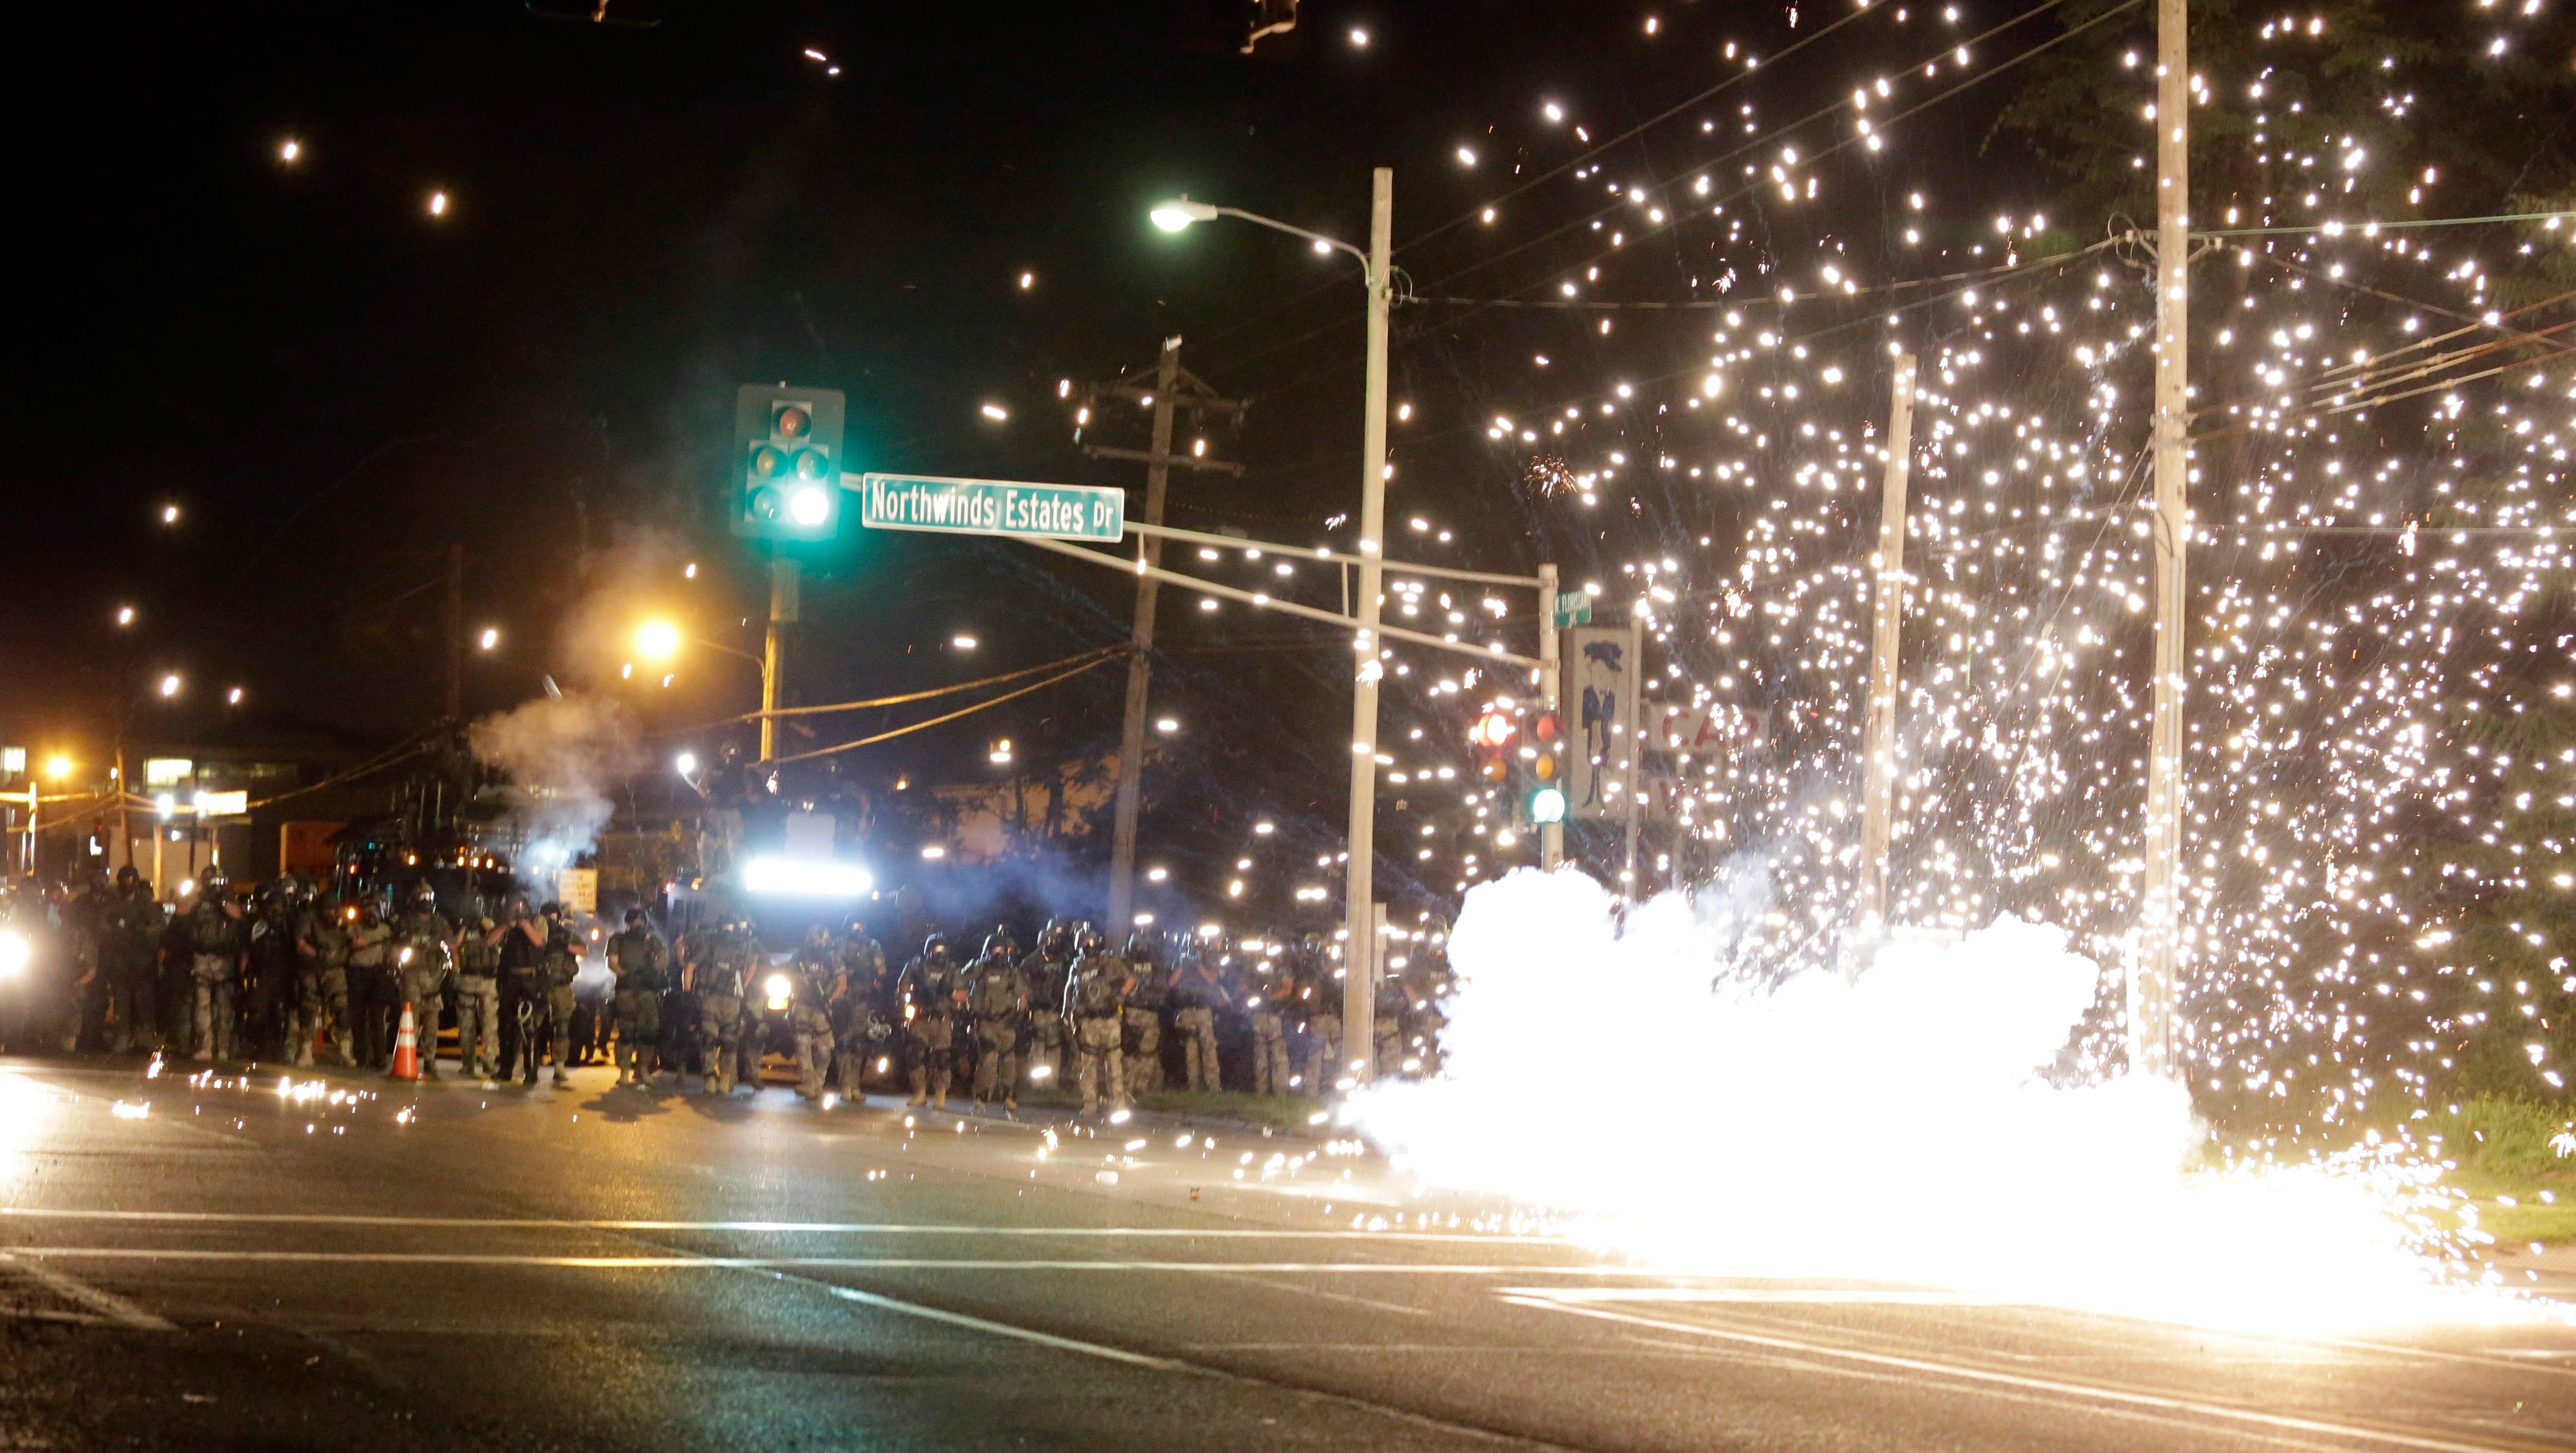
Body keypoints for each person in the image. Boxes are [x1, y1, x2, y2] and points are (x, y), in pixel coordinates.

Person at [1062, 923, 1129, 1117]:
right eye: (1084, 942)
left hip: (1109, 1019)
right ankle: (1090, 1104)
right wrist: (1069, 1015)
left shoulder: (1110, 961)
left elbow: (1130, 980)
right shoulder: (1078, 966)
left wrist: (1119, 997)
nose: (1089, 945)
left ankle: (1118, 1104)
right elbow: (1070, 992)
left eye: (1091, 941)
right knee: (1088, 1066)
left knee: (1114, 1064)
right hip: (1088, 1021)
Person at [390, 884, 455, 1079]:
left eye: (428, 896)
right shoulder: (406, 922)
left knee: (432, 1021)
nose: (425, 900)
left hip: (434, 976)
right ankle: (406, 1057)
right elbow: (395, 947)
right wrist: (396, 967)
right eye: (422, 896)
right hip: (411, 975)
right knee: (411, 1019)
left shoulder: (440, 922)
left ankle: (430, 1060)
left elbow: (451, 945)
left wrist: (454, 968)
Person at [896, 932, 967, 1108]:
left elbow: (963, 995)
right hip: (920, 1018)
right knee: (915, 1056)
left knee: (943, 1058)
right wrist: (917, 989)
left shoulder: (952, 969)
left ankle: (940, 1095)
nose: (940, 954)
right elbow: (903, 987)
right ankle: (920, 1093)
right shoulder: (917, 966)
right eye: (936, 950)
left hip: (942, 1019)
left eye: (943, 950)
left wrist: (949, 991)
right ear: (929, 951)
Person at [182, 876, 247, 1063]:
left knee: (224, 1006)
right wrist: (199, 896)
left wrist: (221, 900)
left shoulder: (227, 898)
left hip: (224, 959)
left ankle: (223, 1048)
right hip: (202, 958)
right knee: (202, 1007)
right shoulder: (198, 899)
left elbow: (237, 914)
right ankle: (206, 1047)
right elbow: (181, 910)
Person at [963, 925, 1026, 1111]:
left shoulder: (1012, 972)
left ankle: (1008, 1095)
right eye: (995, 950)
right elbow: (961, 982)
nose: (999, 954)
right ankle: (982, 1096)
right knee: (988, 1059)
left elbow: (1022, 996)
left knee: (1008, 1060)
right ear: (989, 951)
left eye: (1002, 951)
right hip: (986, 1021)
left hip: (1007, 1022)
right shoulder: (980, 967)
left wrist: (1019, 1015)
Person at [102, 867, 164, 1053]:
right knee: (122, 1004)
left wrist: (139, 934)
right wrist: (118, 936)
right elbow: (105, 928)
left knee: (144, 1003)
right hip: (120, 961)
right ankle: (122, 1038)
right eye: (124, 880)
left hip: (142, 962)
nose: (127, 883)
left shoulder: (146, 904)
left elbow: (157, 929)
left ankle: (145, 1039)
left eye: (131, 880)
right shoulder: (113, 904)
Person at [828, 921, 891, 1100]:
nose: (858, 930)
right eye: (854, 927)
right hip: (844, 999)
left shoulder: (872, 945)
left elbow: (881, 969)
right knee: (844, 1043)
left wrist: (870, 973)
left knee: (858, 1045)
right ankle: (845, 1086)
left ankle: (855, 1085)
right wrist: (851, 972)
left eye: (861, 926)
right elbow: (835, 966)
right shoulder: (839, 944)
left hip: (863, 1001)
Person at [606, 907, 668, 1087]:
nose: (639, 924)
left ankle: (642, 1070)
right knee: (626, 1032)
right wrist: (627, 976)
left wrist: (653, 971)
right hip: (626, 991)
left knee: (649, 1032)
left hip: (647, 992)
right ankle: (625, 1072)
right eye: (636, 920)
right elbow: (612, 963)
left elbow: (664, 957)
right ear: (628, 923)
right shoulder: (618, 939)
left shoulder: (652, 940)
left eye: (642, 921)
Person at [241, 882, 300, 1063]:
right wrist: (243, 973)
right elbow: (248, 950)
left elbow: (296, 950)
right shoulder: (259, 926)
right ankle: (263, 1049)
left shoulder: (289, 927)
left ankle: (278, 1051)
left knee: (279, 1015)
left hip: (282, 977)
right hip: (262, 975)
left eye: (280, 906)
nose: (276, 910)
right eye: (274, 906)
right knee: (260, 1014)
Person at [692, 916, 750, 1096]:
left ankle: (724, 1079)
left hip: (731, 1000)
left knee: (729, 1043)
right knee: (709, 1040)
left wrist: (743, 988)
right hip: (711, 998)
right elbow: (691, 965)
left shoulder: (742, 946)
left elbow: (753, 964)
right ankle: (710, 1077)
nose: (729, 931)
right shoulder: (708, 945)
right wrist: (688, 991)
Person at [293, 891, 353, 1067]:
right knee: (308, 1010)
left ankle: (345, 1051)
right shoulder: (309, 919)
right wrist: (317, 954)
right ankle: (305, 1052)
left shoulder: (342, 921)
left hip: (335, 970)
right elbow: (301, 944)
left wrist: (349, 933)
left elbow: (355, 939)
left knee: (342, 1009)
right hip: (312, 969)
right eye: (328, 910)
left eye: (334, 910)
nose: (332, 913)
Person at [495, 898, 550, 1086]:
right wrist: (507, 925)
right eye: (514, 908)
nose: (517, 910)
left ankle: (531, 1072)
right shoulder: (507, 923)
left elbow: (539, 942)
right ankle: (505, 1069)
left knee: (530, 1028)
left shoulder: (537, 921)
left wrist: (525, 924)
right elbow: (490, 941)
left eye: (519, 907)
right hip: (511, 979)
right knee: (506, 1028)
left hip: (531, 981)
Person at [1017, 920, 1073, 1098]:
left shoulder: (1063, 961)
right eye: (1047, 942)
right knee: (1039, 1047)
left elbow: (1068, 985)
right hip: (1038, 1011)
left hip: (1056, 1010)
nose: (1051, 945)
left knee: (1055, 1047)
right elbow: (1022, 988)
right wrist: (1023, 1011)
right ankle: (1037, 1083)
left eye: (1053, 942)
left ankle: (1051, 1083)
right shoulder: (1030, 962)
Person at [783, 926, 838, 1100]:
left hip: (823, 1007)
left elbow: (842, 981)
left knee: (824, 1049)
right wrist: (801, 979)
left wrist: (830, 1000)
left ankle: (818, 1083)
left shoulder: (832, 958)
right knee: (802, 1044)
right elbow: (789, 974)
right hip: (803, 1005)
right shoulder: (799, 957)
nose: (820, 943)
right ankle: (808, 1083)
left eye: (823, 940)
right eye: (816, 939)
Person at [344, 898, 396, 1070]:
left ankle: (380, 1058)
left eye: (374, 910)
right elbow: (355, 943)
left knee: (377, 1018)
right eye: (368, 910)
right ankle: (361, 1057)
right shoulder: (354, 928)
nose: (371, 914)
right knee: (358, 1018)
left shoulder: (385, 929)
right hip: (358, 975)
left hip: (377, 976)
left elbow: (390, 947)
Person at [1170, 948, 1230, 1093]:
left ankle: (1214, 1087)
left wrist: (1198, 966)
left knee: (1208, 1049)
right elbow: (1172, 982)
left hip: (1203, 1011)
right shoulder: (1183, 963)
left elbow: (1212, 980)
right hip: (1187, 1011)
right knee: (1191, 1051)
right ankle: (1194, 1087)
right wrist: (1183, 966)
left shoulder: (1209, 963)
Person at [452, 912, 502, 1080]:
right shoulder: (465, 929)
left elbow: (495, 936)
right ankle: (469, 1063)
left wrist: (483, 922)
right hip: (468, 979)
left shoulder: (488, 926)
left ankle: (488, 1061)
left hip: (488, 980)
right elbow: (456, 946)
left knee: (489, 1024)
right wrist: (466, 926)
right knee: (467, 1025)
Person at [538, 902, 583, 1088]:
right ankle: (530, 1063)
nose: (551, 920)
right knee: (532, 1026)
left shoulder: (568, 935)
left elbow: (583, 951)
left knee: (562, 1028)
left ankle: (559, 1066)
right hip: (540, 985)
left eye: (553, 916)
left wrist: (565, 945)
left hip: (562, 986)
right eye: (547, 917)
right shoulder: (537, 933)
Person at [1291, 932, 1341, 1095]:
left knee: (1339, 1055)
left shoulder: (1328, 964)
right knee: (1315, 1057)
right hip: (1318, 1016)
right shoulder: (1306, 966)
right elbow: (1303, 995)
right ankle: (1312, 1092)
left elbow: (1337, 989)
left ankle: (1339, 1090)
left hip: (1331, 1015)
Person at [1120, 931, 1167, 1099]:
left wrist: (1154, 998)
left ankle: (1142, 1088)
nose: (1141, 948)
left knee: (1147, 1052)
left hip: (1150, 1013)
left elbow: (1162, 987)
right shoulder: (1125, 962)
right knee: (1130, 1052)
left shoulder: (1157, 963)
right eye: (1138, 945)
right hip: (1131, 1012)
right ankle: (1127, 1087)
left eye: (1144, 945)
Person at [1239, 946, 1291, 1096]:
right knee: (1260, 1057)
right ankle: (1262, 1092)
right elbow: (1243, 986)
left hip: (1275, 1015)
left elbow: (1288, 989)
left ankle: (1280, 1093)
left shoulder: (1282, 968)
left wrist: (1271, 997)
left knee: (1278, 1056)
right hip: (1259, 1015)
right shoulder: (1254, 968)